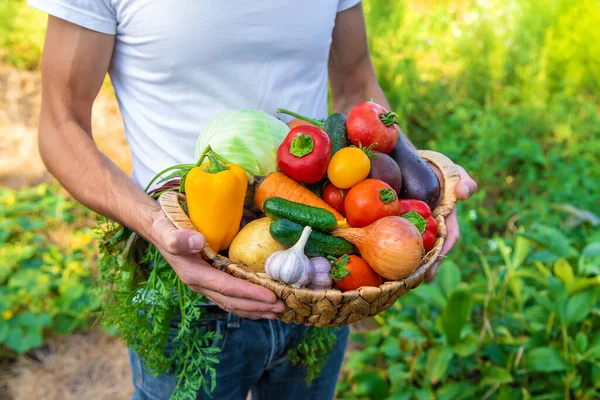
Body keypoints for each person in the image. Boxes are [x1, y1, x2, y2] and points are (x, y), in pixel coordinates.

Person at [29, 1, 478, 399]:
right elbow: (60, 126)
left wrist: (426, 184)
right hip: (185, 285)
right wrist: (155, 225)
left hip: (321, 275)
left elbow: (356, 83)